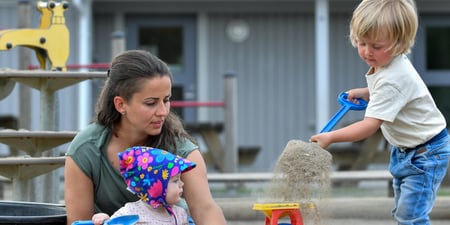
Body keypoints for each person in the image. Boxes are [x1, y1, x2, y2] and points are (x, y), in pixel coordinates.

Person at [310, 0, 450, 224]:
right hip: (409, 149)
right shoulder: (388, 66)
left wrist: (332, 136)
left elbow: (369, 125)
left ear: (399, 43)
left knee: (411, 215)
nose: (367, 52)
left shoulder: (392, 79)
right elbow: (390, 92)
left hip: (426, 154)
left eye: (376, 46)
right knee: (404, 210)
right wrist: (367, 92)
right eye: (361, 42)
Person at [64, 49, 227, 225]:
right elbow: (78, 221)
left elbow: (205, 208)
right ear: (120, 104)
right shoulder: (85, 150)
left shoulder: (181, 150)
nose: (163, 112)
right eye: (151, 103)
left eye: (166, 100)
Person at [92, 146, 196, 225]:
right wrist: (105, 219)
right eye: (175, 180)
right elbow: (113, 222)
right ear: (155, 188)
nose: (182, 184)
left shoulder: (179, 214)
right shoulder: (131, 213)